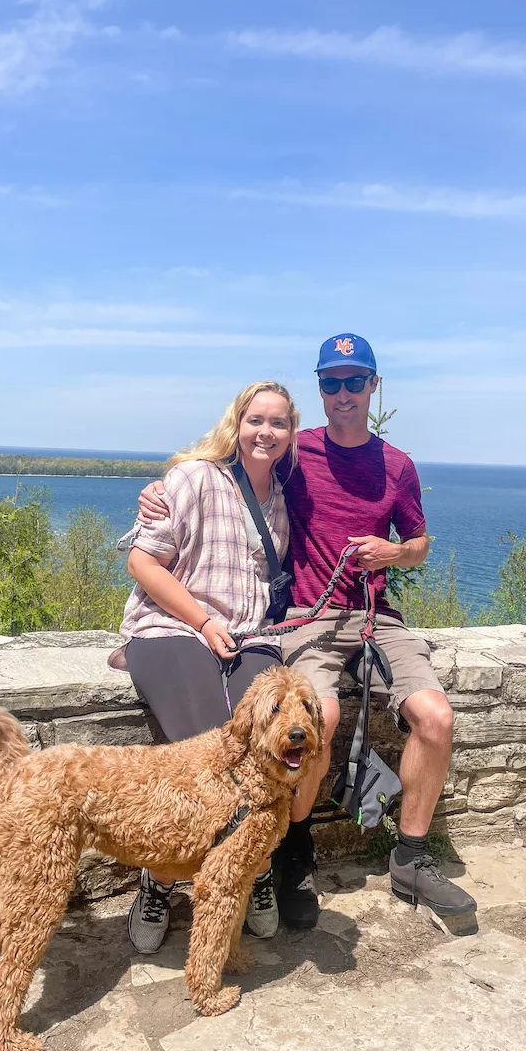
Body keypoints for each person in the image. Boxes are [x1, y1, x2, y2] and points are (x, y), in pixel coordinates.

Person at [137, 335, 477, 929]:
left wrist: (393, 552)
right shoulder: (297, 454)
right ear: (319, 391)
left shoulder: (397, 465)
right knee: (315, 719)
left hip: (377, 618)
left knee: (436, 716)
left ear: (374, 386)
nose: (342, 394)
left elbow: (420, 545)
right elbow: (235, 469)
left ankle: (412, 856)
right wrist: (161, 490)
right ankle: (292, 854)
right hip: (308, 620)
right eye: (330, 382)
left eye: (354, 381)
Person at [114, 380, 299, 954]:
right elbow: (142, 561)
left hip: (248, 636)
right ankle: (162, 875)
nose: (266, 432)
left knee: (265, 742)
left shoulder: (285, 495)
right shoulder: (194, 478)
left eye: (279, 423)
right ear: (236, 423)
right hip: (172, 628)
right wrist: (200, 620)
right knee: (201, 745)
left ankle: (254, 867)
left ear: (292, 432)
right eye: (255, 420)